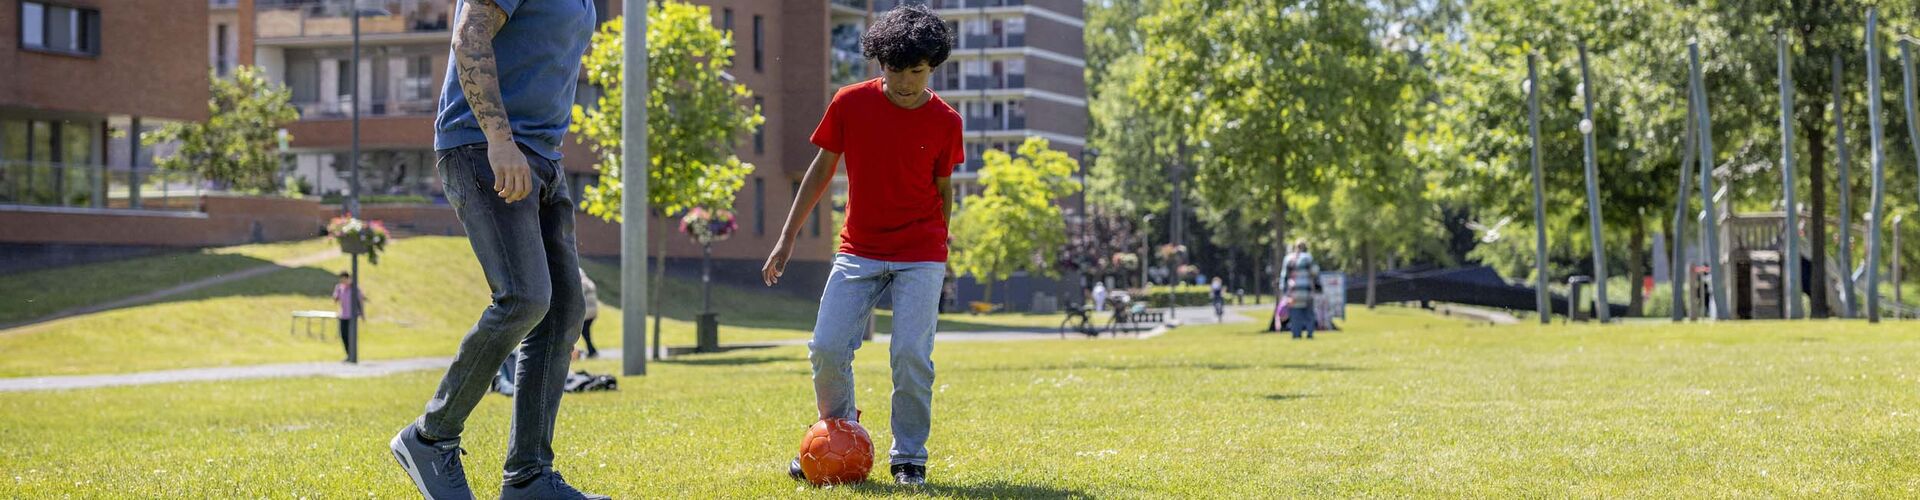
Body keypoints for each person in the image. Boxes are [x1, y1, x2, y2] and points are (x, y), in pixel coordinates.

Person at [387, 0, 604, 498]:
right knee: (524, 297)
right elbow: (470, 37)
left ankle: (528, 477)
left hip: (544, 157)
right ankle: (430, 437)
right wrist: (500, 140)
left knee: (564, 310)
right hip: (485, 147)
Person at [760, 5, 960, 487]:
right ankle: (837, 440)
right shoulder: (850, 103)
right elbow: (819, 172)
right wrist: (786, 238)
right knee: (827, 347)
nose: (906, 82)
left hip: (921, 253)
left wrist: (938, 251)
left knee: (910, 355)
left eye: (916, 71)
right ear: (878, 62)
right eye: (895, 70)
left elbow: (944, 189)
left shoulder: (946, 121)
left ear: (932, 65)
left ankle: (909, 456)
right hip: (859, 250)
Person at [1281, 240, 1324, 339]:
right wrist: (1319, 287)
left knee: (1295, 315)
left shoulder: (1288, 258)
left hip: (1293, 292)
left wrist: (1284, 291)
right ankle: (1309, 333)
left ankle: (1296, 334)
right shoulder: (1308, 258)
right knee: (1309, 314)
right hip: (1307, 290)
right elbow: (1315, 272)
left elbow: (1284, 276)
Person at [332, 272, 364, 362]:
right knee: (344, 336)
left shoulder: (354, 288)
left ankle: (352, 355)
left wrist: (362, 314)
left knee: (351, 336)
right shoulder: (339, 288)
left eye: (344, 279)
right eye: (341, 279)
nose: (343, 281)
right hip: (343, 316)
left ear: (348, 278)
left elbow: (360, 301)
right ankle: (348, 355)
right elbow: (335, 299)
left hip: (352, 317)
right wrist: (337, 292)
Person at [577, 268, 599, 358]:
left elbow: (579, 296)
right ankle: (591, 350)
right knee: (586, 333)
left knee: (585, 332)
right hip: (593, 312)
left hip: (587, 313)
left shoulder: (582, 283)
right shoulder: (589, 282)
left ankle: (592, 351)